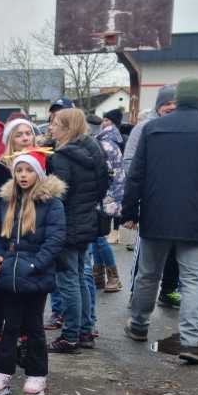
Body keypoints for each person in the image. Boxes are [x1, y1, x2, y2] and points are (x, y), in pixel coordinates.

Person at [121, 77, 198, 364]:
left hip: (156, 215)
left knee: (149, 274)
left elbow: (136, 175)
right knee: (194, 280)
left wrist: (129, 212)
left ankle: (138, 325)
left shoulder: (152, 128)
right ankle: (191, 341)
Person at [0, 150, 66, 395]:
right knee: (9, 326)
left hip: (35, 275)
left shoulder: (52, 203)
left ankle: (37, 374)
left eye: (28, 170)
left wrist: (35, 264)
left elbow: (55, 239)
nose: (23, 175)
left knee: (33, 327)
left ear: (38, 173)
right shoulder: (8, 202)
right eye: (19, 170)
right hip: (9, 274)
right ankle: (3, 371)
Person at [46, 109, 107, 353]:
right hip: (87, 221)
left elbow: (59, 193)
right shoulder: (93, 150)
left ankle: (70, 335)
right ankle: (84, 331)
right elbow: (102, 186)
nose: (51, 128)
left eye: (55, 124)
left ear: (67, 127)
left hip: (68, 224)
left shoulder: (62, 156)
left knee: (68, 280)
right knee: (81, 277)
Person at [92, 112, 126, 293]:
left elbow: (111, 174)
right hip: (106, 196)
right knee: (96, 238)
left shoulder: (106, 144)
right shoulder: (108, 142)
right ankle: (98, 276)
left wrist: (112, 198)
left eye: (107, 120)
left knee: (98, 238)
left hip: (105, 197)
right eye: (103, 120)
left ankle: (114, 277)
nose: (104, 123)